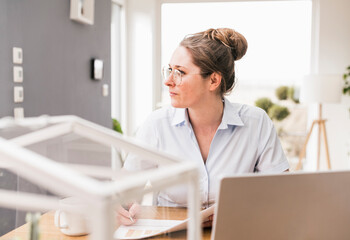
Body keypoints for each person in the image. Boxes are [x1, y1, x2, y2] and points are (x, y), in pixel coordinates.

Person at [119, 28, 289, 225]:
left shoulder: (256, 123)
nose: (168, 81)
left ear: (214, 80)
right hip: (172, 234)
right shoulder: (157, 124)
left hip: (236, 230)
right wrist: (123, 204)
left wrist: (244, 209)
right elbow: (125, 188)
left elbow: (281, 194)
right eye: (169, 70)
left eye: (180, 72)